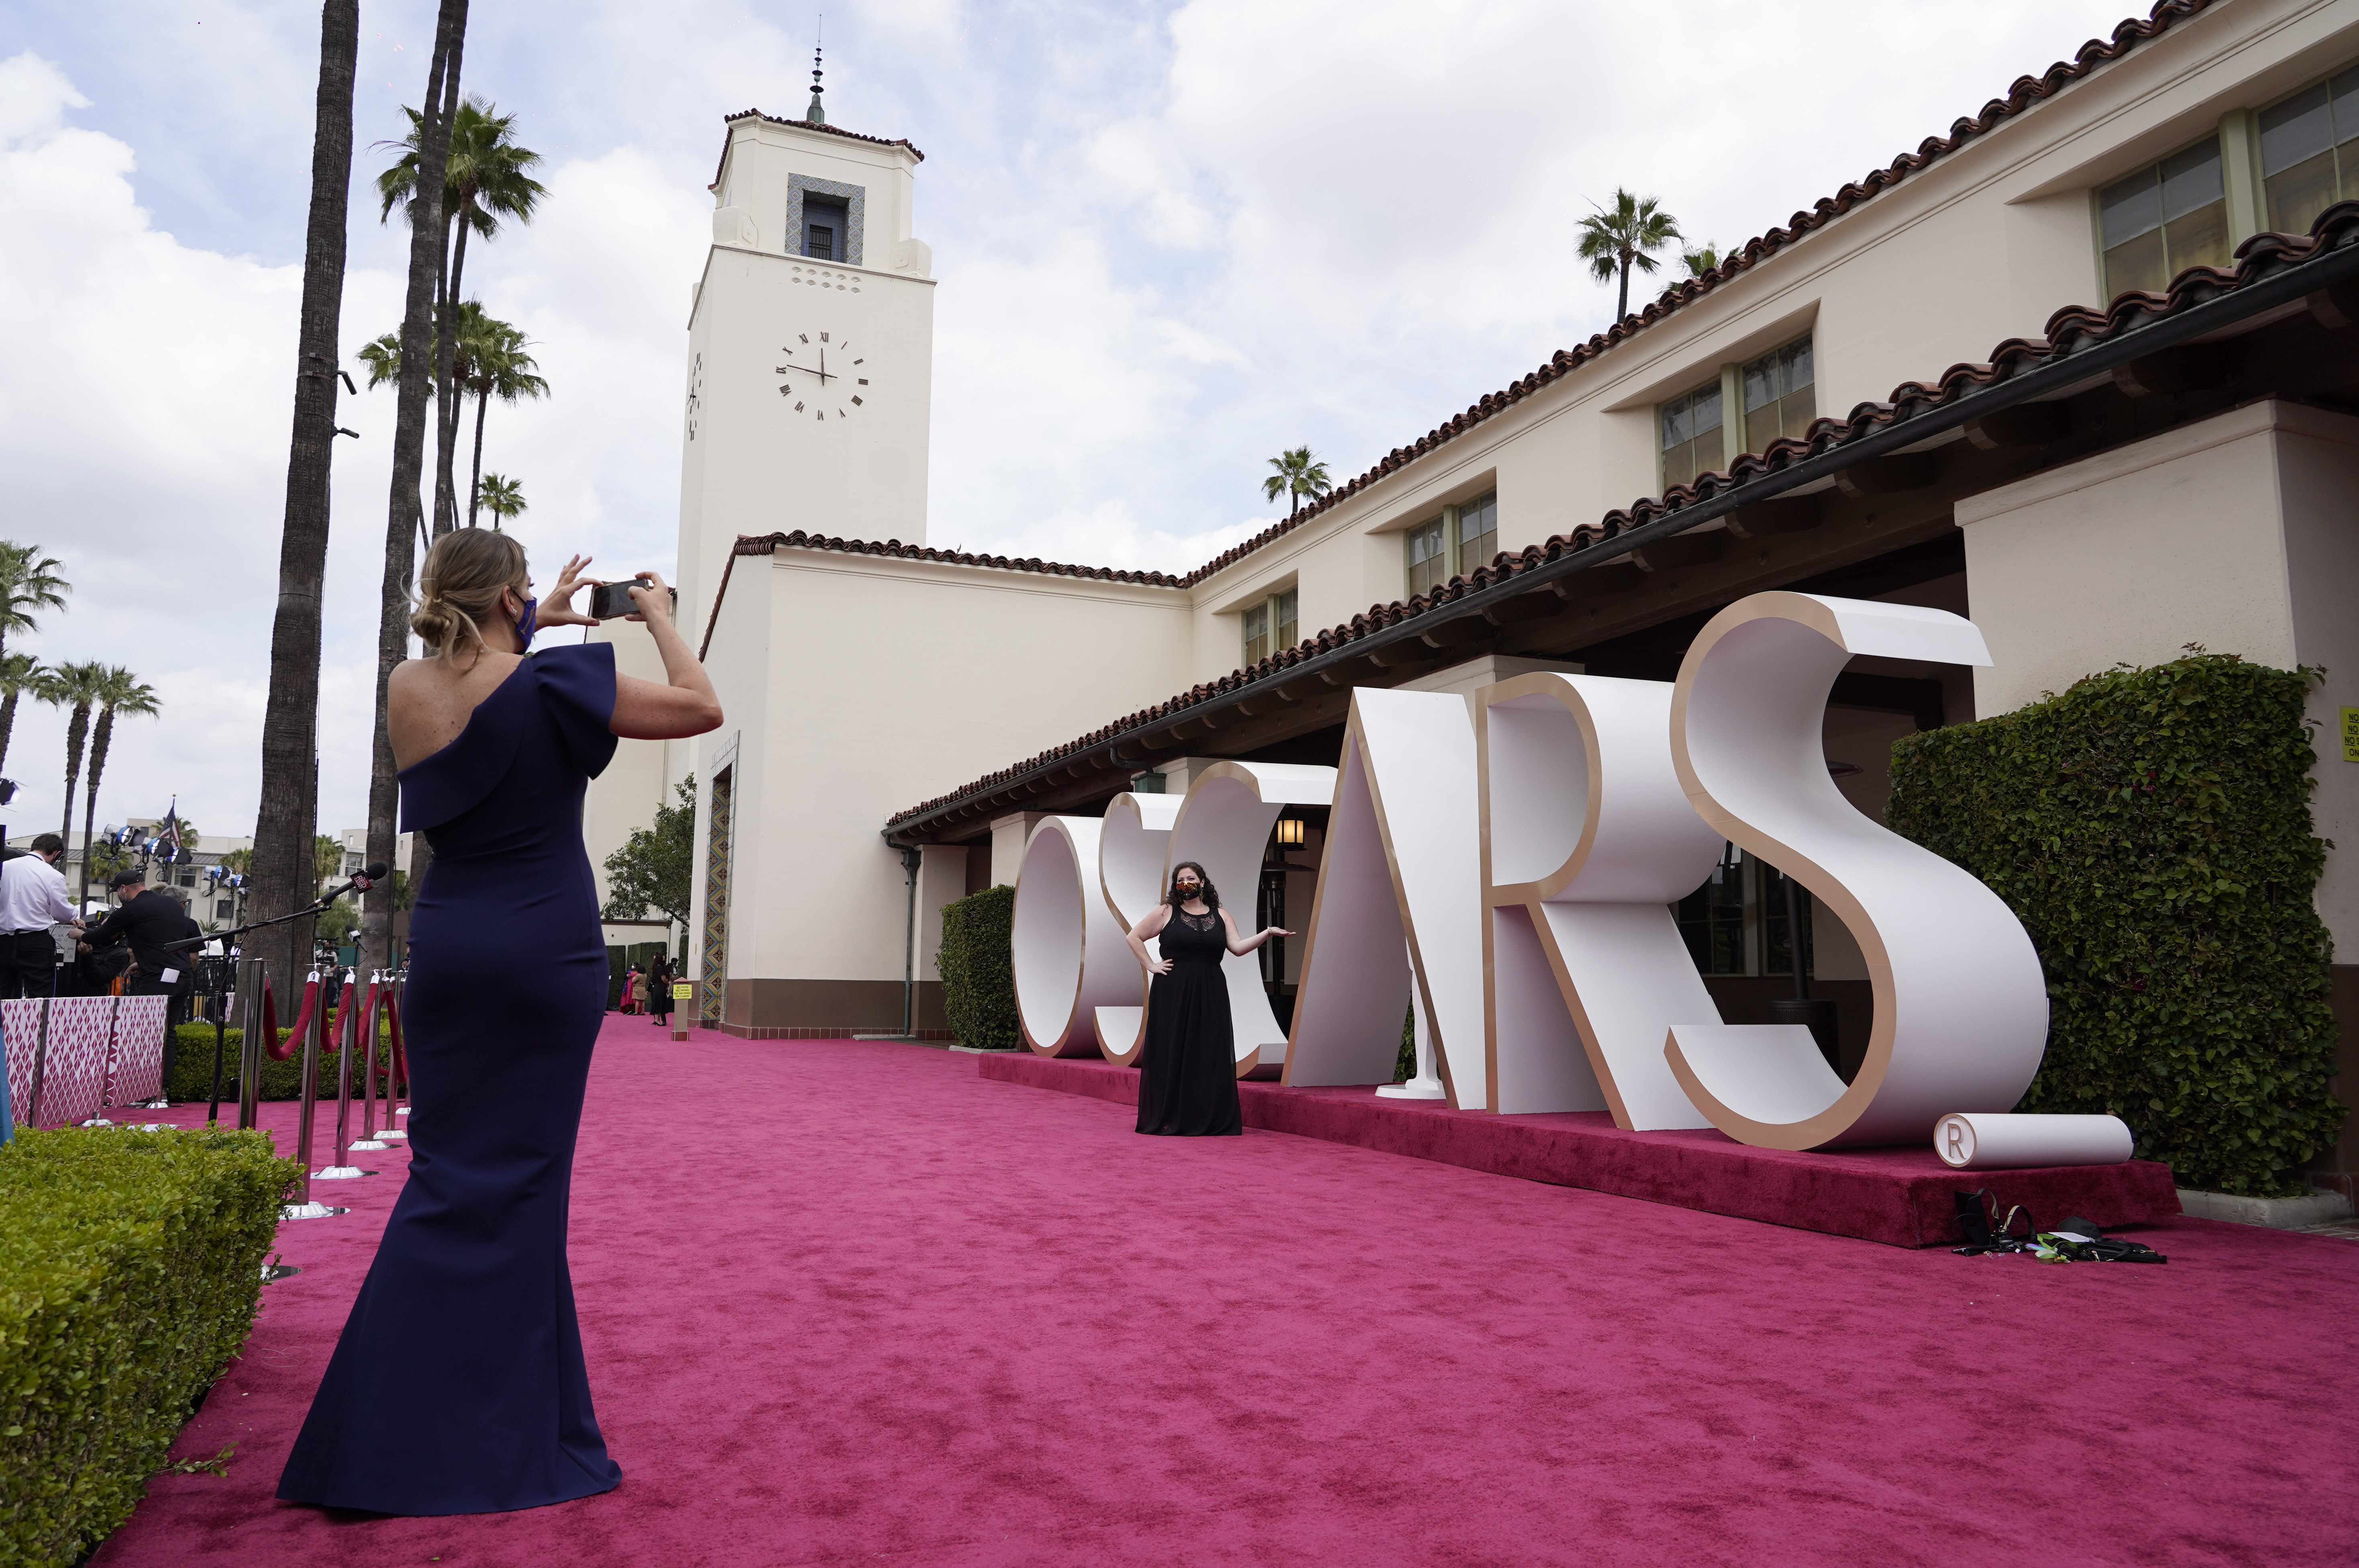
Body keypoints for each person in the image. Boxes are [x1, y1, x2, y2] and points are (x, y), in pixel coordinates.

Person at [277, 530, 721, 1516]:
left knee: (447, 1178)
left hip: (450, 945)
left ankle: (390, 1435)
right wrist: (651, 617)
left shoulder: (407, 684)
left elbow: (476, 690)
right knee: (523, 1190)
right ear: (514, 594)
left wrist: (535, 625)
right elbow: (703, 707)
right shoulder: (558, 681)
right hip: (545, 947)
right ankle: (482, 1445)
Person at [1122, 860, 1290, 1137]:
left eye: (1190, 878)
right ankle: (1172, 1116)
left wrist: (1268, 933)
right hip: (1173, 990)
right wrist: (1152, 965)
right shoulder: (1166, 912)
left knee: (1208, 1050)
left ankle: (1207, 1117)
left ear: (1202, 882)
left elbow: (1237, 948)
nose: (1185, 883)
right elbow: (1134, 937)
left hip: (1211, 990)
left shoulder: (1222, 916)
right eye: (1180, 881)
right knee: (1173, 1048)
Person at [0, 833, 82, 997]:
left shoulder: (5, 867)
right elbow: (62, 913)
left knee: (2, 993)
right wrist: (73, 914)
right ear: (57, 854)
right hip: (34, 941)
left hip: (3, 939)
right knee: (40, 996)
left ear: (34, 847)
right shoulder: (52, 875)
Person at [648, 955, 673, 1028]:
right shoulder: (661, 969)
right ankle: (660, 1020)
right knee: (661, 1003)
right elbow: (664, 979)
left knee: (656, 1003)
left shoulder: (655, 968)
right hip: (661, 987)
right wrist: (668, 984)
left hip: (655, 987)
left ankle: (657, 1020)